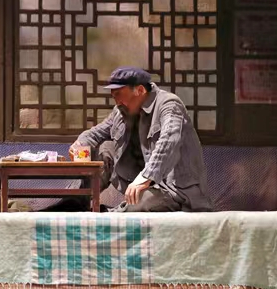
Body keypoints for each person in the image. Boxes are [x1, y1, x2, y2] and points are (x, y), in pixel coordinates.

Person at [70, 66, 213, 212]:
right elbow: (95, 133)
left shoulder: (169, 104)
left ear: (140, 90)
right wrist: (80, 144)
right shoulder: (120, 111)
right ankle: (74, 202)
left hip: (174, 190)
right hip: (140, 183)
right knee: (105, 148)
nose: (117, 102)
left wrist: (146, 177)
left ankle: (108, 214)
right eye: (114, 97)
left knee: (142, 201)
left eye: (119, 95)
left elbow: (169, 141)